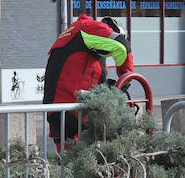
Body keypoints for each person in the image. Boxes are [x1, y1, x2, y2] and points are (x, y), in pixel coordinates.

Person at [42, 14, 133, 146]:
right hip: (74, 105)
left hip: (55, 108)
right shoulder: (93, 28)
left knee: (67, 161)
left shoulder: (72, 33)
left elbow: (80, 72)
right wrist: (125, 79)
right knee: (101, 150)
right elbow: (123, 47)